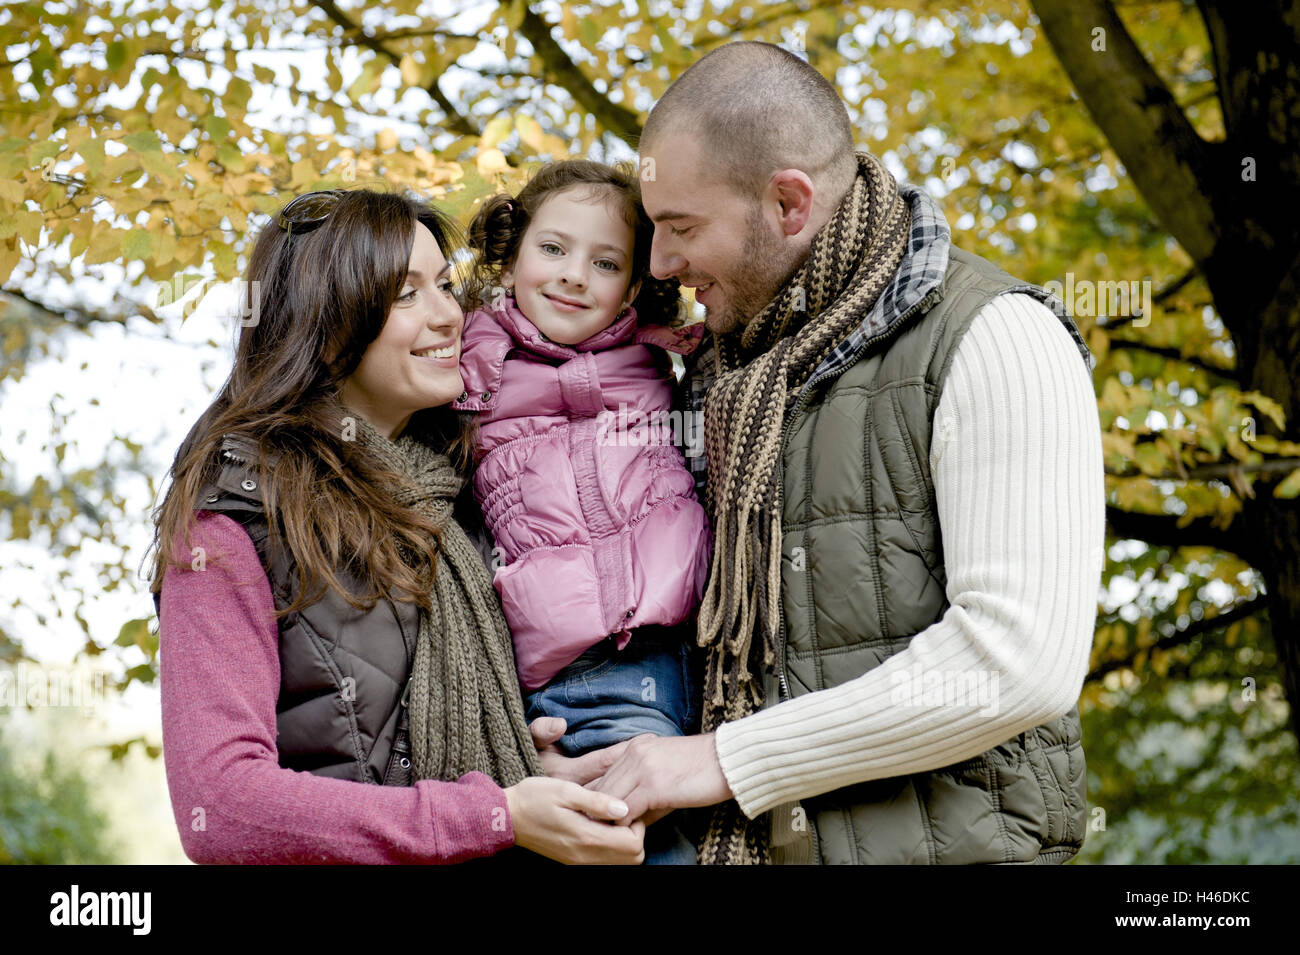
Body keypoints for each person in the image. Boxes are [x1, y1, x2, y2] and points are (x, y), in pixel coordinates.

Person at [588, 41, 1106, 864]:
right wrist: (586, 741)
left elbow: (1016, 662)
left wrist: (726, 759)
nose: (661, 264)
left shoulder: (996, 337)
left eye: (682, 228)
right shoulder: (711, 376)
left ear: (790, 204)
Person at [148, 187, 645, 864]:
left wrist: (528, 776)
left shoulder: (464, 493)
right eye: (406, 294)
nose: (449, 315)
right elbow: (224, 806)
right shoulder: (235, 516)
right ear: (327, 320)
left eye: (444, 285)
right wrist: (492, 813)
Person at [452, 160, 711, 863]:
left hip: (690, 641)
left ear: (633, 285)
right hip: (581, 664)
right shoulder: (472, 359)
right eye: (554, 249)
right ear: (512, 255)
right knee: (625, 829)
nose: (573, 275)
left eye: (604, 263)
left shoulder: (664, 358)